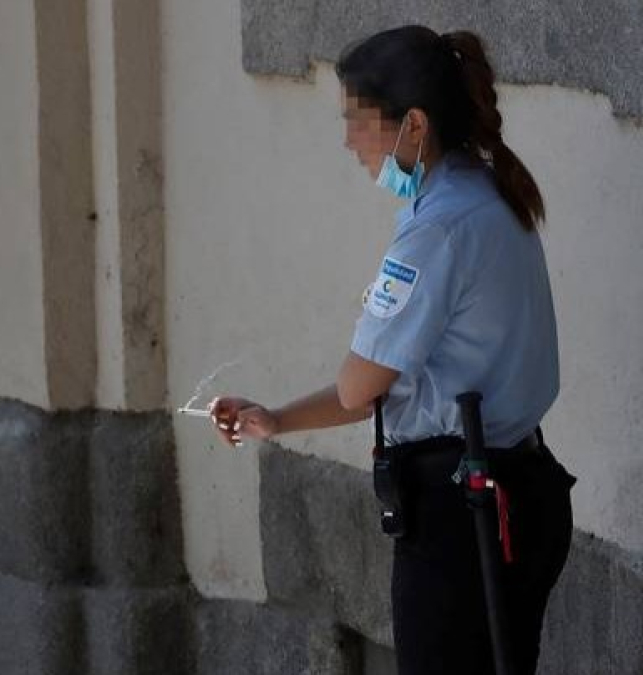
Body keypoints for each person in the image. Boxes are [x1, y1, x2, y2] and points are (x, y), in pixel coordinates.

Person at [208, 25, 576, 675]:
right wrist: (279, 418)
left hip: (461, 517)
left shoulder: (438, 227)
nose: (350, 141)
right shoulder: (485, 193)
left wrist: (289, 411)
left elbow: (359, 387)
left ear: (412, 124)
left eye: (359, 121)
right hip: (518, 486)